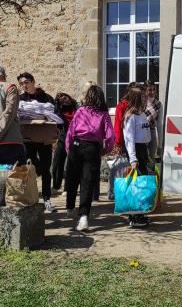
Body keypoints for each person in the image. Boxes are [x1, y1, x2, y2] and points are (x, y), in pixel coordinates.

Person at [64, 85, 114, 231]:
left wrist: (68, 148)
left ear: (88, 97)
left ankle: (70, 208)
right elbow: (110, 136)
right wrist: (106, 149)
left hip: (77, 144)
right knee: (88, 181)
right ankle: (83, 217)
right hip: (93, 148)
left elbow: (71, 131)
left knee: (72, 177)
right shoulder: (104, 114)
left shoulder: (80, 111)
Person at [17, 72, 58, 213]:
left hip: (44, 137)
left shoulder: (45, 97)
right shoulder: (19, 98)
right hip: (28, 137)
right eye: (21, 83)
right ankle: (31, 198)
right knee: (30, 165)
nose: (24, 85)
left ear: (33, 82)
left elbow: (54, 112)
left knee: (46, 169)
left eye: (26, 82)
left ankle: (47, 199)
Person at [121, 86, 152, 228]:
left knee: (143, 183)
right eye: (143, 97)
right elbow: (129, 139)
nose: (146, 99)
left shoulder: (143, 114)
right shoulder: (131, 116)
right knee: (136, 184)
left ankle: (140, 213)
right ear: (136, 99)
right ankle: (133, 216)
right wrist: (133, 159)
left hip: (143, 150)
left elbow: (146, 134)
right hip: (135, 151)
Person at [51, 92, 78, 197]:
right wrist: (57, 104)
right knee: (57, 163)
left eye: (65, 97)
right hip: (63, 137)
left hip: (75, 138)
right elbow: (55, 116)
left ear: (69, 96)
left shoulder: (77, 107)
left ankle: (67, 188)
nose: (65, 100)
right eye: (61, 100)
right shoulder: (59, 110)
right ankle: (56, 186)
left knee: (70, 164)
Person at [143, 81, 163, 161]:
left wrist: (160, 145)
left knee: (151, 160)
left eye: (154, 89)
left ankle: (150, 173)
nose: (152, 92)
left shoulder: (158, 104)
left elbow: (159, 124)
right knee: (142, 159)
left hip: (152, 133)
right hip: (141, 134)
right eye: (149, 90)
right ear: (145, 90)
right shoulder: (141, 103)